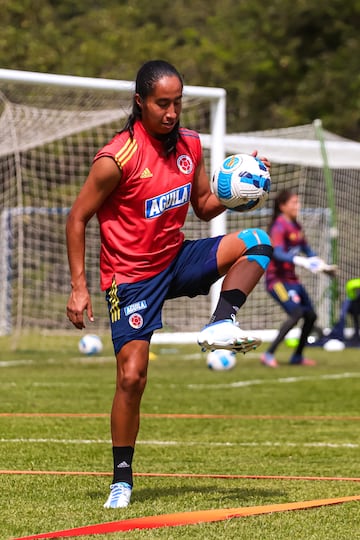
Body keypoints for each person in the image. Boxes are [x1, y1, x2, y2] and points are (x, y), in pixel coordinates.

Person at [66, 59, 273, 508]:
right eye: (163, 103)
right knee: (132, 378)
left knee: (258, 241)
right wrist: (80, 286)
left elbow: (202, 205)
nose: (172, 112)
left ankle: (221, 323)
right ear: (140, 102)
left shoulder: (190, 145)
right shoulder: (115, 158)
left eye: (177, 102)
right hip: (131, 279)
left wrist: (242, 184)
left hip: (175, 259)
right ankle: (122, 478)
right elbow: (78, 217)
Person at [261, 189, 333, 368]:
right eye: (294, 202)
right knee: (296, 313)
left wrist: (321, 265)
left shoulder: (296, 226)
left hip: (292, 280)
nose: (297, 206)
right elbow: (276, 252)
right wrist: (301, 261)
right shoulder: (278, 226)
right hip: (276, 280)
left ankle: (297, 356)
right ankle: (268, 354)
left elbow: (307, 249)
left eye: (298, 202)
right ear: (283, 206)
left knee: (311, 315)